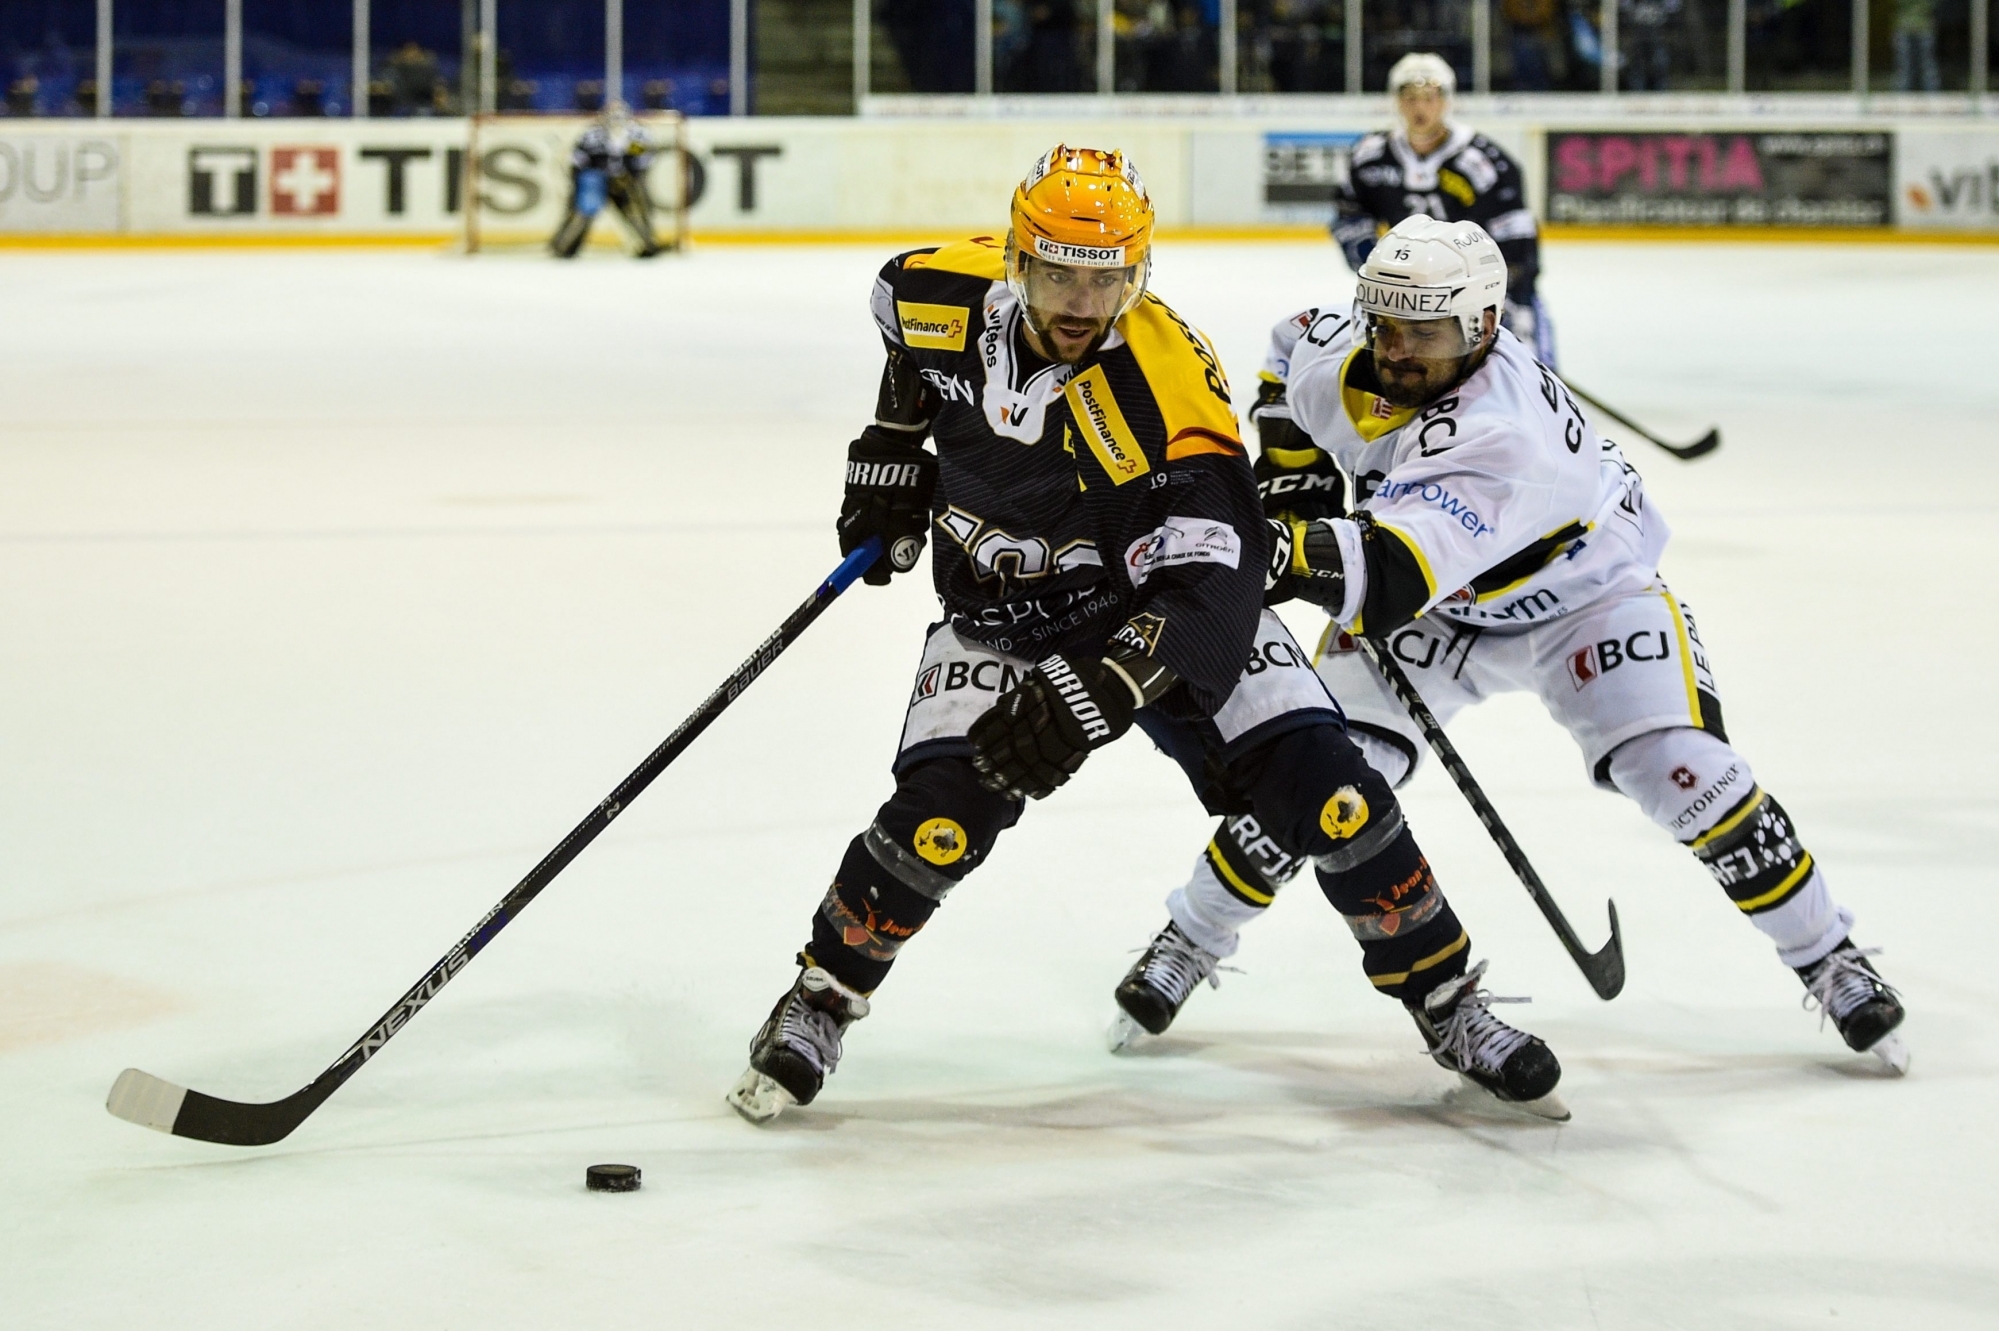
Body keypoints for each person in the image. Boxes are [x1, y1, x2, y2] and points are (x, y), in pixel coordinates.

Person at [725, 148, 1569, 1125]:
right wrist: (887, 449)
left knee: (1330, 793)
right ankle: (820, 996)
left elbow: (1217, 579)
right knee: (937, 815)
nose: (1083, 301)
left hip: (1161, 606)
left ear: (1139, 272)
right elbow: (906, 350)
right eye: (1058, 274)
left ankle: (1447, 1000)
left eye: (1108, 278)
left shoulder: (1172, 383)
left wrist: (1098, 692)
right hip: (1003, 608)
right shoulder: (927, 289)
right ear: (1015, 261)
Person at [1111, 215, 1909, 1076]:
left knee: (1686, 773)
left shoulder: (1504, 433)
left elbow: (1380, 573)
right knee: (1317, 775)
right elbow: (1287, 350)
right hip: (1441, 607)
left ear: (1484, 326)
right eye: (1385, 324)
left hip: (1582, 597)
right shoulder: (1347, 352)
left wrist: (1271, 547)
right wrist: (1293, 472)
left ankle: (1828, 956)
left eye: (1426, 331)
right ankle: (1190, 935)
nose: (1399, 350)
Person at [1332, 52, 1554, 367]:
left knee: (1526, 374)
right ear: (1396, 101)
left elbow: (1517, 241)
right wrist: (1380, 273)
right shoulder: (1369, 156)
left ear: (1447, 100)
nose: (1420, 107)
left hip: (1476, 289)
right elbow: (1349, 216)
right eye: (1409, 97)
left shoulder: (1486, 162)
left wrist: (1508, 303)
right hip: (1407, 294)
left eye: (1430, 97)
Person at [549, 103, 664, 259]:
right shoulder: (592, 135)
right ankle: (564, 246)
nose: (615, 120)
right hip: (595, 183)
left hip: (624, 183)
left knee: (635, 212)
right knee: (582, 213)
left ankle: (648, 244)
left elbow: (642, 160)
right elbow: (578, 161)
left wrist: (629, 177)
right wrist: (582, 183)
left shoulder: (636, 135)